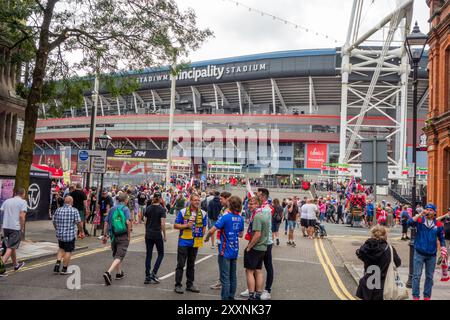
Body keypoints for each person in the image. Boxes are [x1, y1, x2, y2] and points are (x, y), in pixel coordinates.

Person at [205, 196, 244, 300]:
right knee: (233, 276)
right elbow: (241, 235)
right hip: (234, 249)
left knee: (225, 277)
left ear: (230, 205)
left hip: (224, 249)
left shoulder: (225, 217)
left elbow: (211, 230)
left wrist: (207, 238)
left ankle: (225, 298)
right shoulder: (240, 218)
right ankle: (231, 296)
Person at [408, 203, 446, 300]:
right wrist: (420, 214)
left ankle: (427, 296)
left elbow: (441, 238)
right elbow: (409, 222)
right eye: (427, 209)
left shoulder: (438, 224)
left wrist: (443, 249)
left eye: (431, 210)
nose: (429, 211)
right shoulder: (420, 220)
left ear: (434, 212)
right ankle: (415, 296)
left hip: (432, 255)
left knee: (429, 277)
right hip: (419, 253)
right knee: (416, 276)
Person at [356, 225, 401, 300]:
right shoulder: (389, 249)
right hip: (383, 286)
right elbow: (398, 263)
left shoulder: (366, 248)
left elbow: (359, 253)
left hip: (368, 284)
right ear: (385, 235)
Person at [173, 193, 207, 294]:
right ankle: (178, 285)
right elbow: (175, 225)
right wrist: (186, 225)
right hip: (183, 242)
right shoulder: (183, 212)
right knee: (181, 264)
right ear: (191, 201)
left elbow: (204, 226)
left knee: (191, 264)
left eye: (198, 200)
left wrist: (202, 234)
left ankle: (190, 284)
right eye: (195, 200)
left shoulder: (203, 213)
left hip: (195, 242)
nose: (197, 202)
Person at [243, 195, 270, 300]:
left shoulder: (257, 216)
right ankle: (258, 294)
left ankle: (251, 295)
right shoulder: (264, 214)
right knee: (258, 270)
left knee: (249, 271)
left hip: (256, 247)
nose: (249, 205)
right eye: (249, 203)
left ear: (258, 204)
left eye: (252, 203)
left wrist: (249, 247)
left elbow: (257, 234)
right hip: (263, 247)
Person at [102, 193, 132, 286]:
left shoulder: (112, 209)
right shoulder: (126, 209)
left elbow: (106, 223)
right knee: (119, 256)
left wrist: (105, 235)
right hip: (123, 235)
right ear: (125, 200)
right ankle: (108, 272)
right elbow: (128, 222)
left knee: (116, 255)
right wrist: (129, 236)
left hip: (113, 235)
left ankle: (119, 273)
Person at [52, 196, 83, 275]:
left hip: (60, 234)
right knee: (68, 251)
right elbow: (78, 222)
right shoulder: (74, 210)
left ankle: (57, 264)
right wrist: (81, 231)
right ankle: (64, 269)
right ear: (71, 202)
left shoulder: (58, 210)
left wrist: (57, 229)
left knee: (61, 248)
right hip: (70, 235)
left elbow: (54, 222)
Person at [0, 188, 27, 276]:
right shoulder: (23, 202)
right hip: (15, 227)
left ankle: (16, 265)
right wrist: (21, 228)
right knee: (10, 247)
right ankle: (1, 266)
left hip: (6, 226)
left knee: (11, 246)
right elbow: (22, 216)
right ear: (23, 194)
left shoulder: (7, 201)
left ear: (15, 193)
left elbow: (2, 213)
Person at [209, 191, 232, 290]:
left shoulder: (231, 210)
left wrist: (208, 235)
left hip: (225, 240)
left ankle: (223, 283)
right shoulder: (223, 208)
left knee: (224, 262)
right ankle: (221, 281)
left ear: (227, 199)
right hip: (220, 238)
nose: (220, 200)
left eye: (222, 199)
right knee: (221, 261)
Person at [143, 192, 167, 284]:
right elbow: (162, 224)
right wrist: (164, 235)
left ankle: (147, 276)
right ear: (160, 199)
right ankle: (154, 272)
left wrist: (147, 230)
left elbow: (145, 221)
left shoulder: (148, 208)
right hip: (157, 234)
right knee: (161, 254)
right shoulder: (162, 209)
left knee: (149, 255)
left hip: (148, 234)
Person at [258, 188, 274, 300]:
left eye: (258, 195)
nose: (256, 197)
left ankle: (267, 290)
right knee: (255, 267)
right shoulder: (261, 208)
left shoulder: (266, 209)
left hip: (266, 242)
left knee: (268, 266)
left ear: (263, 197)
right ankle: (254, 289)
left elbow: (264, 228)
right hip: (259, 242)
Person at [437, 208, 450, 282]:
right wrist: (445, 215)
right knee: (447, 252)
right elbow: (436, 220)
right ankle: (447, 265)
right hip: (446, 238)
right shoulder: (445, 217)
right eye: (448, 211)